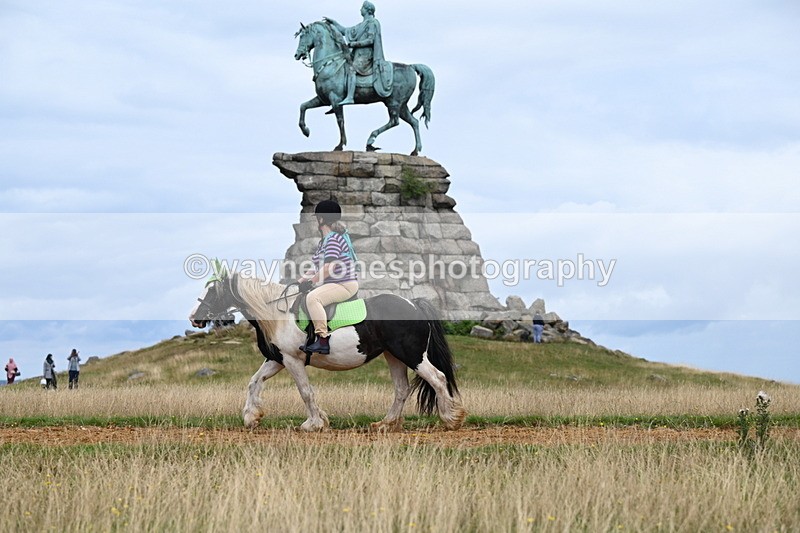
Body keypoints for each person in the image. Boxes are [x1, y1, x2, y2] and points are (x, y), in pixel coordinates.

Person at [297, 200, 359, 354]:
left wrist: (312, 282)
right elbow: (315, 267)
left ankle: (323, 340)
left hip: (344, 284)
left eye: (317, 218)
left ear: (322, 219)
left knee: (313, 298)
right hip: (335, 283)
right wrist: (300, 281)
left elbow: (329, 267)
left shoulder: (333, 239)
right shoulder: (324, 241)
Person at [324, 1, 392, 107]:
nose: (360, 9)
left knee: (352, 70)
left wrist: (354, 43)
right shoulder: (361, 25)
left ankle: (350, 97)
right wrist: (334, 23)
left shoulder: (373, 23)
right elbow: (345, 31)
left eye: (362, 8)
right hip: (357, 55)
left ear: (367, 10)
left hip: (367, 56)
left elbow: (370, 40)